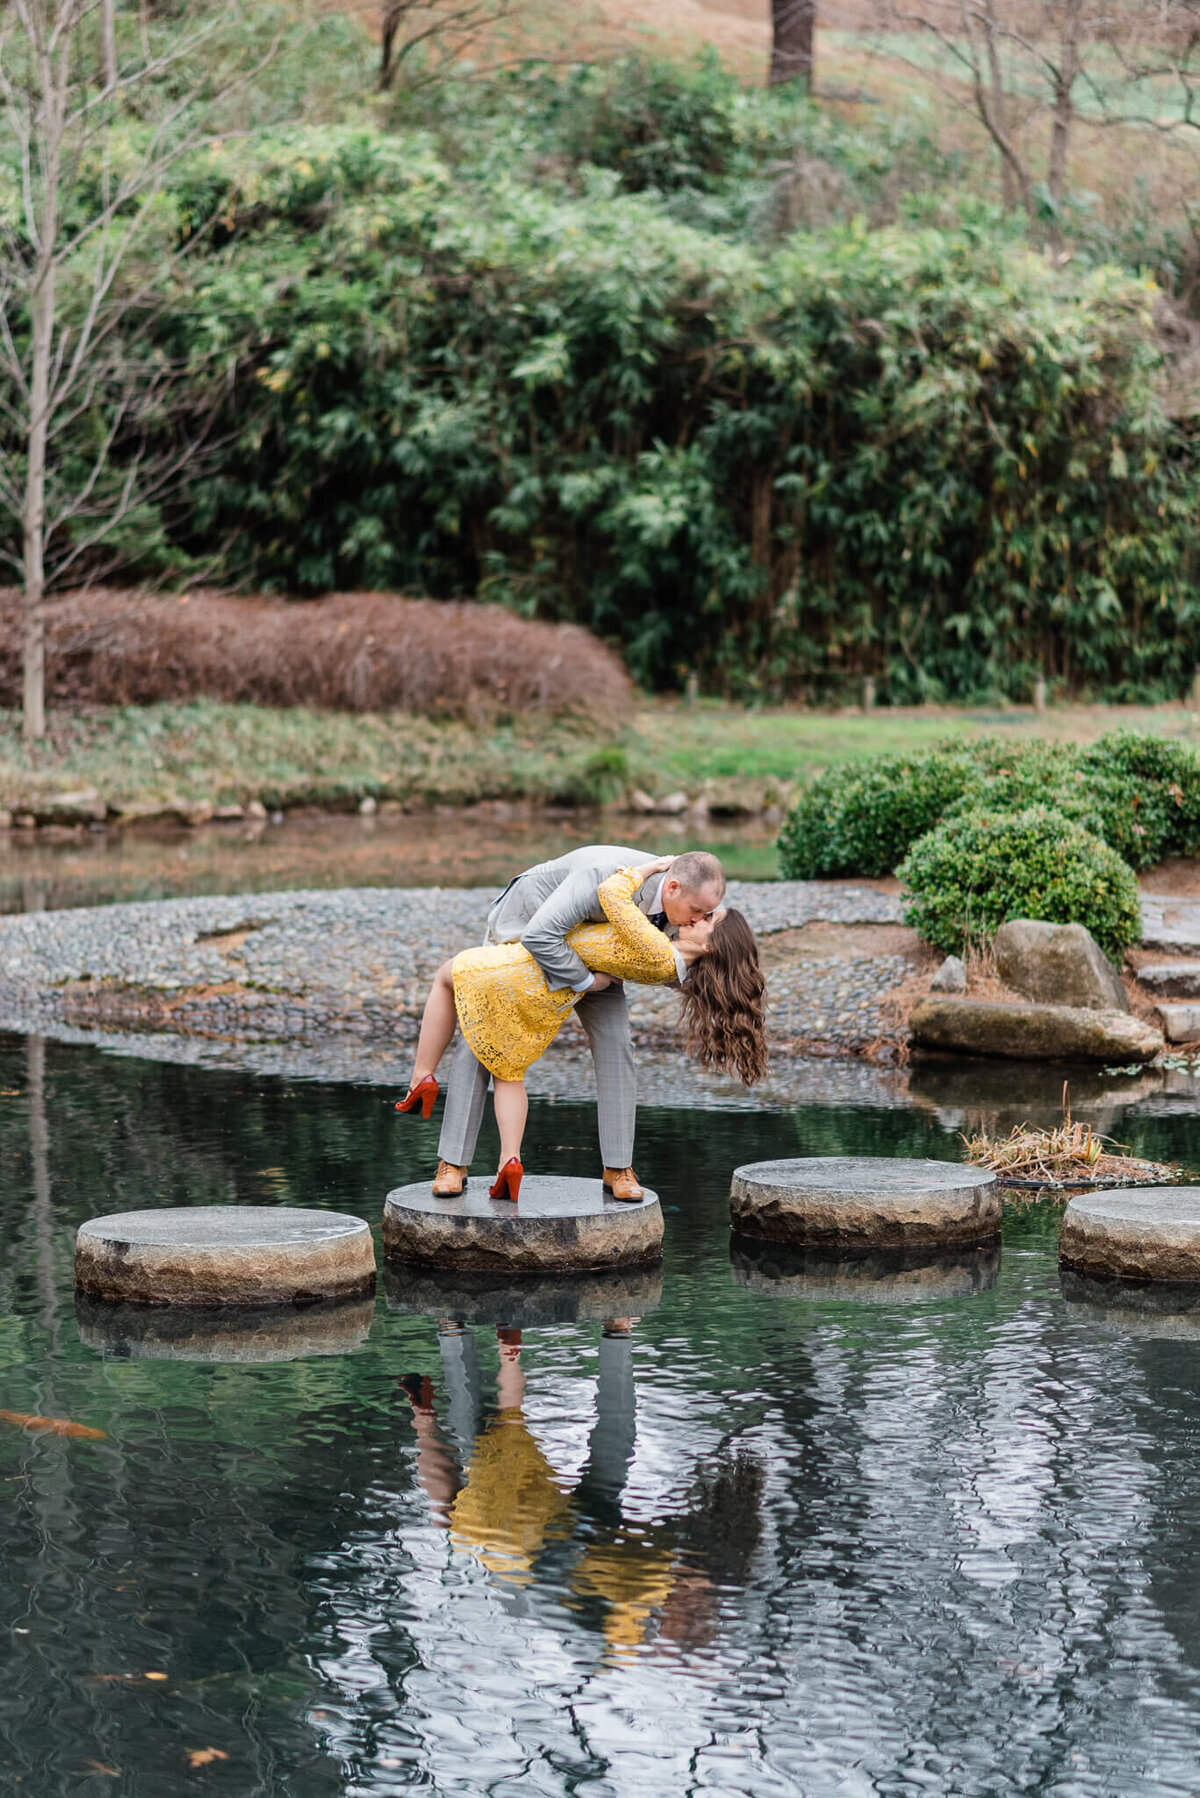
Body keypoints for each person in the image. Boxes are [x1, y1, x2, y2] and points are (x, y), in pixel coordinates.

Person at [397, 856, 767, 1203]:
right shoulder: (610, 876)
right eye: (696, 912)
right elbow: (541, 935)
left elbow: (682, 961)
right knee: (484, 1030)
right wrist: (587, 982)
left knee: (617, 1045)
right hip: (532, 931)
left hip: (602, 959)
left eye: (706, 915)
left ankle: (618, 1168)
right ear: (671, 888)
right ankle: (453, 1164)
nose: (695, 919)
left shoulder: (687, 900)